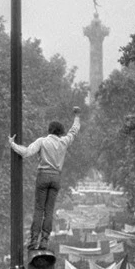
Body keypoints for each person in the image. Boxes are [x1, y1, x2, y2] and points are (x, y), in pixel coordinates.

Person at [9, 106, 81, 250]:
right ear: (61, 132)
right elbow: (74, 130)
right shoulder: (64, 141)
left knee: (39, 210)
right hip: (56, 178)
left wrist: (12, 144)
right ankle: (44, 241)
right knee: (49, 211)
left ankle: (34, 240)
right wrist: (77, 116)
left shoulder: (42, 141)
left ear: (49, 130)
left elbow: (26, 152)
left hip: (43, 176)